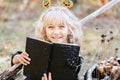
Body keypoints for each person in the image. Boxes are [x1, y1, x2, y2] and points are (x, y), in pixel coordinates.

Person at [11, 6, 83, 80]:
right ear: (44, 30)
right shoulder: (40, 47)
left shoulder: (73, 54)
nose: (56, 32)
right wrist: (18, 58)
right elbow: (16, 59)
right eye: (51, 27)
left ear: (69, 30)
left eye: (61, 27)